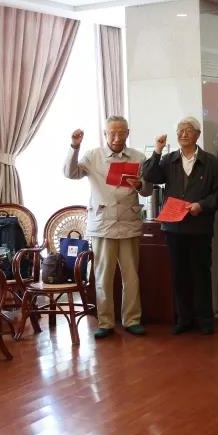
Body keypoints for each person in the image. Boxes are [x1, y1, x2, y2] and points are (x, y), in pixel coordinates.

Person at [65, 116, 152, 339]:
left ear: (128, 133)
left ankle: (132, 320)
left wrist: (140, 184)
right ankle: (105, 322)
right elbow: (70, 173)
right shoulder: (93, 156)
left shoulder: (139, 157)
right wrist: (74, 147)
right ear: (105, 134)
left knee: (131, 276)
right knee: (103, 276)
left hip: (128, 222)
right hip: (102, 223)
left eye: (121, 132)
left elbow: (148, 190)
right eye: (112, 133)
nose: (116, 137)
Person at [141, 117, 218, 335]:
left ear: (197, 134)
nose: (184, 134)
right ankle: (184, 318)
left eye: (189, 130)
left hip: (200, 227)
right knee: (179, 274)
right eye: (180, 130)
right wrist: (157, 150)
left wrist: (202, 205)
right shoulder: (168, 159)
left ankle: (204, 319)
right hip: (174, 228)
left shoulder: (210, 161)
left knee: (201, 273)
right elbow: (149, 175)